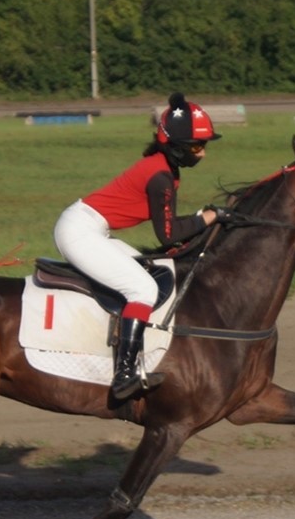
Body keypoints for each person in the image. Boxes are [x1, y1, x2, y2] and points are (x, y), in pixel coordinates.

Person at [53, 92, 227, 401]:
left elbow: (169, 227)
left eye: (205, 146)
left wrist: (203, 218)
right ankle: (125, 374)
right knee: (143, 290)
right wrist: (210, 218)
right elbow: (169, 234)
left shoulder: (164, 168)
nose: (202, 154)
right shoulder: (160, 175)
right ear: (175, 147)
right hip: (80, 232)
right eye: (198, 147)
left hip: (90, 227)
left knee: (155, 270)